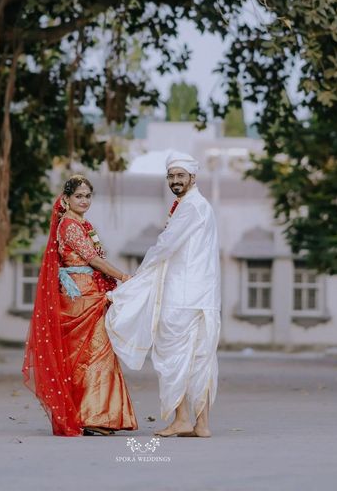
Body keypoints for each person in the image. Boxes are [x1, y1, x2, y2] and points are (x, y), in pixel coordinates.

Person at [106, 151, 221, 437]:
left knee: (172, 355)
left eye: (180, 175)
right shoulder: (199, 205)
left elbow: (166, 245)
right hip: (203, 295)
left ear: (193, 177)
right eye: (171, 176)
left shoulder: (192, 207)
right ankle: (202, 425)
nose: (175, 181)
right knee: (200, 357)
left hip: (182, 294)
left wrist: (139, 276)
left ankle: (183, 419)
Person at [23, 174, 137, 436]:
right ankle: (91, 416)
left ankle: (93, 415)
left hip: (87, 293)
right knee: (93, 354)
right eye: (78, 196)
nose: (84, 200)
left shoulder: (81, 224)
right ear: (66, 199)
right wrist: (123, 277)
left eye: (88, 196)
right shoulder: (71, 226)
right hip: (80, 296)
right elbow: (93, 260)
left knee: (90, 355)